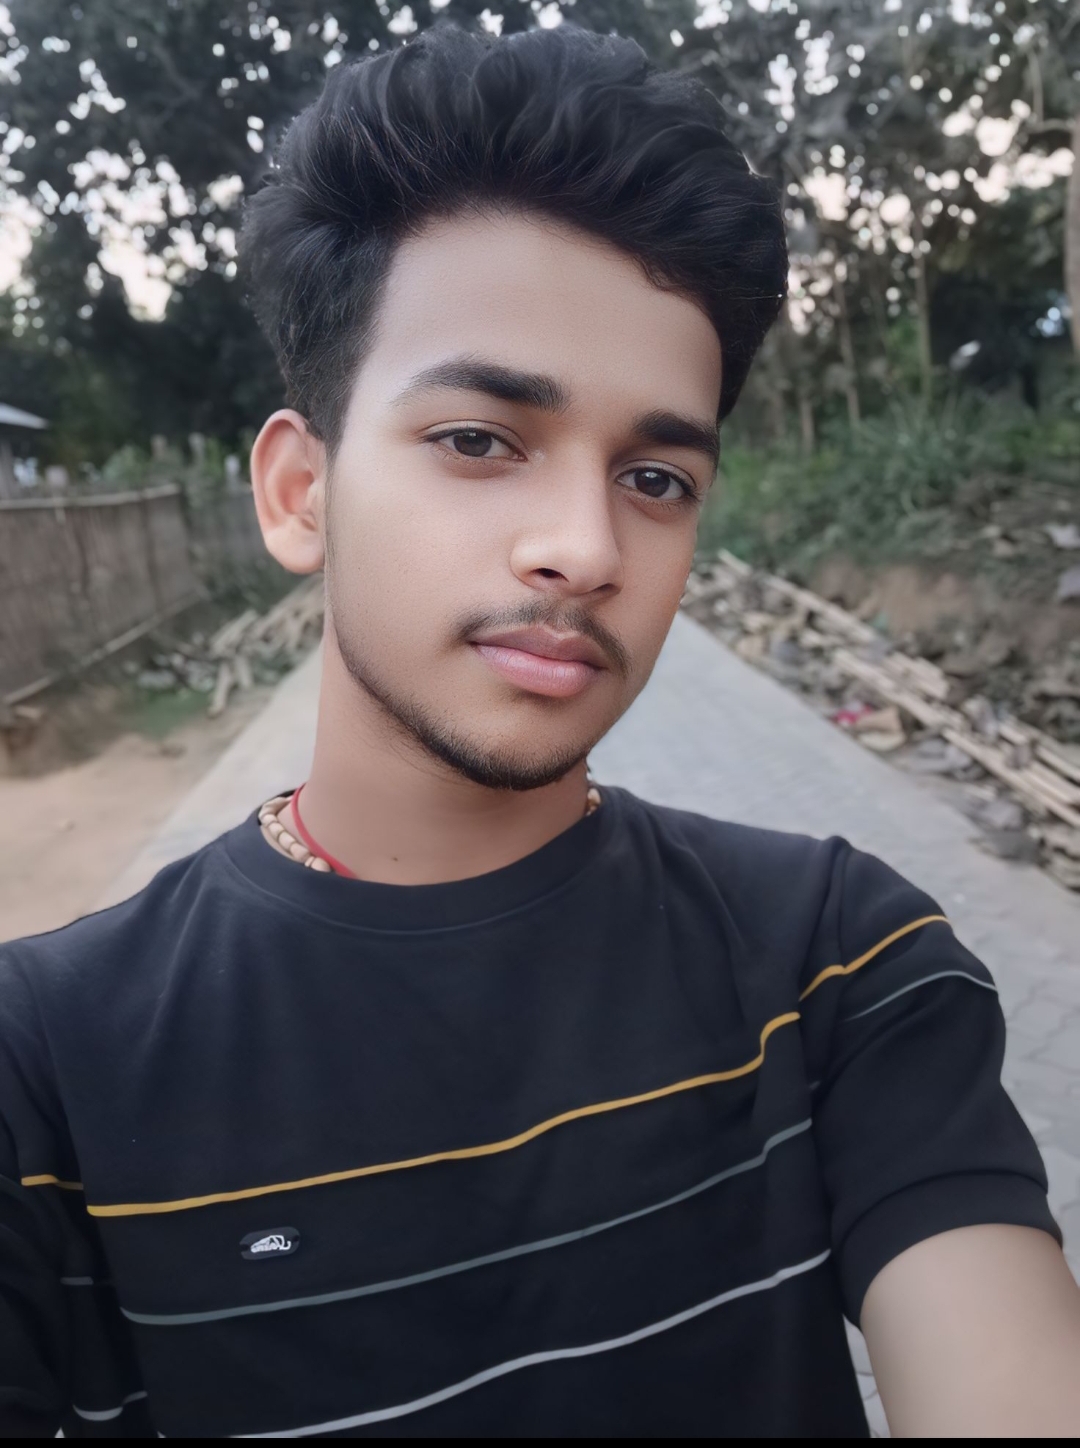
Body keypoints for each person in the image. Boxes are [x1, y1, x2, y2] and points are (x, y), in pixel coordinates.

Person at [1, 24, 1078, 1440]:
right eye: (479, 440)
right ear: (300, 494)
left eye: (655, 477)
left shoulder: (834, 962)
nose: (587, 547)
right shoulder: (48, 1069)